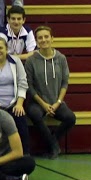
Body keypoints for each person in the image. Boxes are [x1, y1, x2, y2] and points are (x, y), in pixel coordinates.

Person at [24, 26, 75, 159]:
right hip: (37, 102)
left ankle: (52, 141)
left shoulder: (61, 58)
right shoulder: (31, 60)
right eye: (40, 38)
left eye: (46, 37)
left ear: (52, 39)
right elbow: (29, 85)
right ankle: (53, 146)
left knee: (71, 118)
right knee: (35, 114)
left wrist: (58, 102)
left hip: (56, 101)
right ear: (36, 41)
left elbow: (65, 82)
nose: (43, 40)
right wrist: (44, 104)